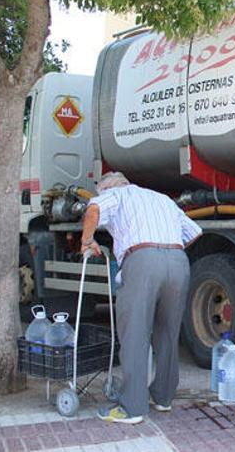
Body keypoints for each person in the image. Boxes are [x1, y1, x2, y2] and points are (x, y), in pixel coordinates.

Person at [80, 172, 201, 424]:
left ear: (108, 188)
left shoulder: (115, 194)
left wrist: (86, 240)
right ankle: (163, 397)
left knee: (135, 333)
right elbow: (194, 232)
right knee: (168, 332)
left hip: (143, 260)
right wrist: (167, 249)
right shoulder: (162, 199)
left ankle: (132, 407)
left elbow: (93, 210)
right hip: (178, 260)